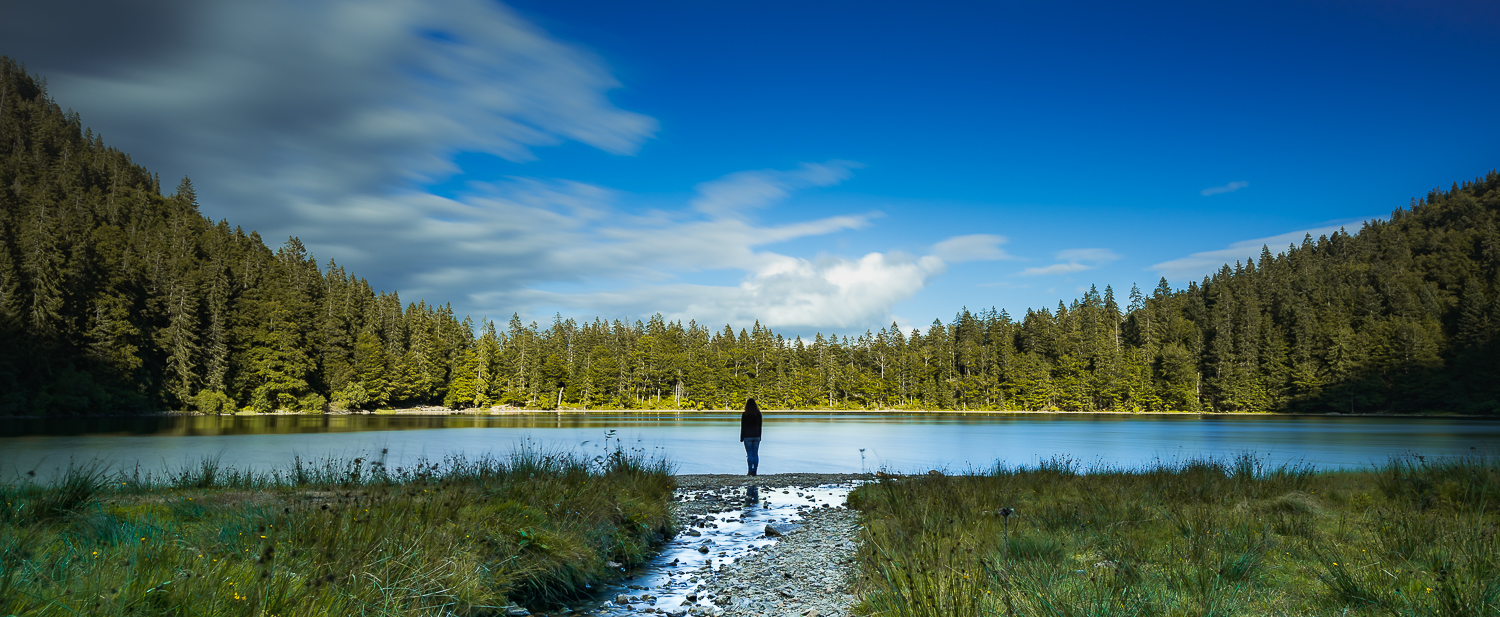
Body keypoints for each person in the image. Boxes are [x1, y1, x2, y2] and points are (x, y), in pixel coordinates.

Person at [740, 397, 762, 476]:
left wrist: (741, 437)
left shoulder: (745, 414)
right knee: (755, 453)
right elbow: (760, 426)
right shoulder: (758, 414)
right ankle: (755, 471)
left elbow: (743, 427)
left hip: (747, 436)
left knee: (749, 454)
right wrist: (760, 436)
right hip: (756, 436)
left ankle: (750, 470)